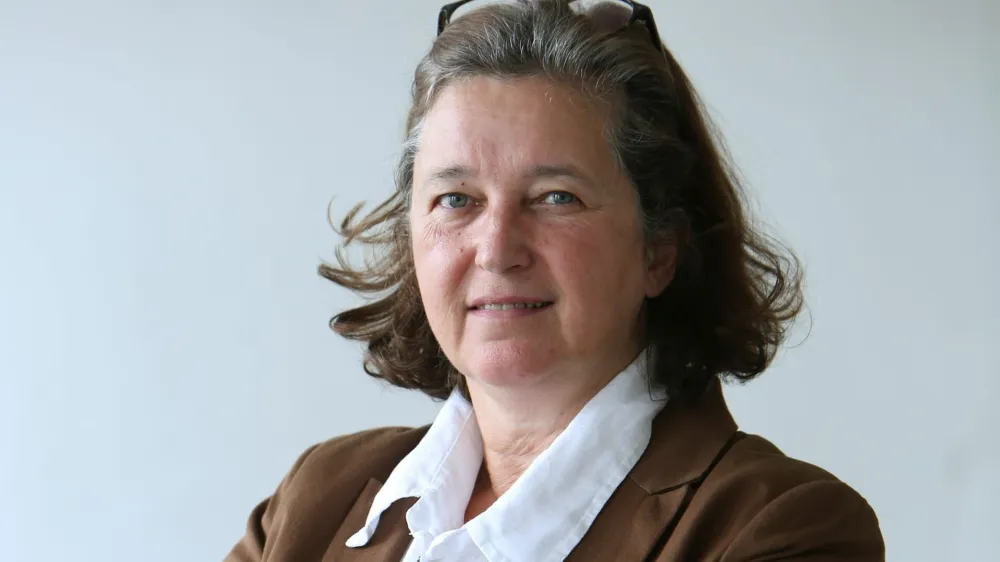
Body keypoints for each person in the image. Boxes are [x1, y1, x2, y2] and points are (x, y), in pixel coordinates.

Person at [225, 1, 884, 560]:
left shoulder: (778, 526)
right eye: (456, 199)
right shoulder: (315, 500)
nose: (496, 250)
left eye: (555, 197)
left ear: (659, 250)